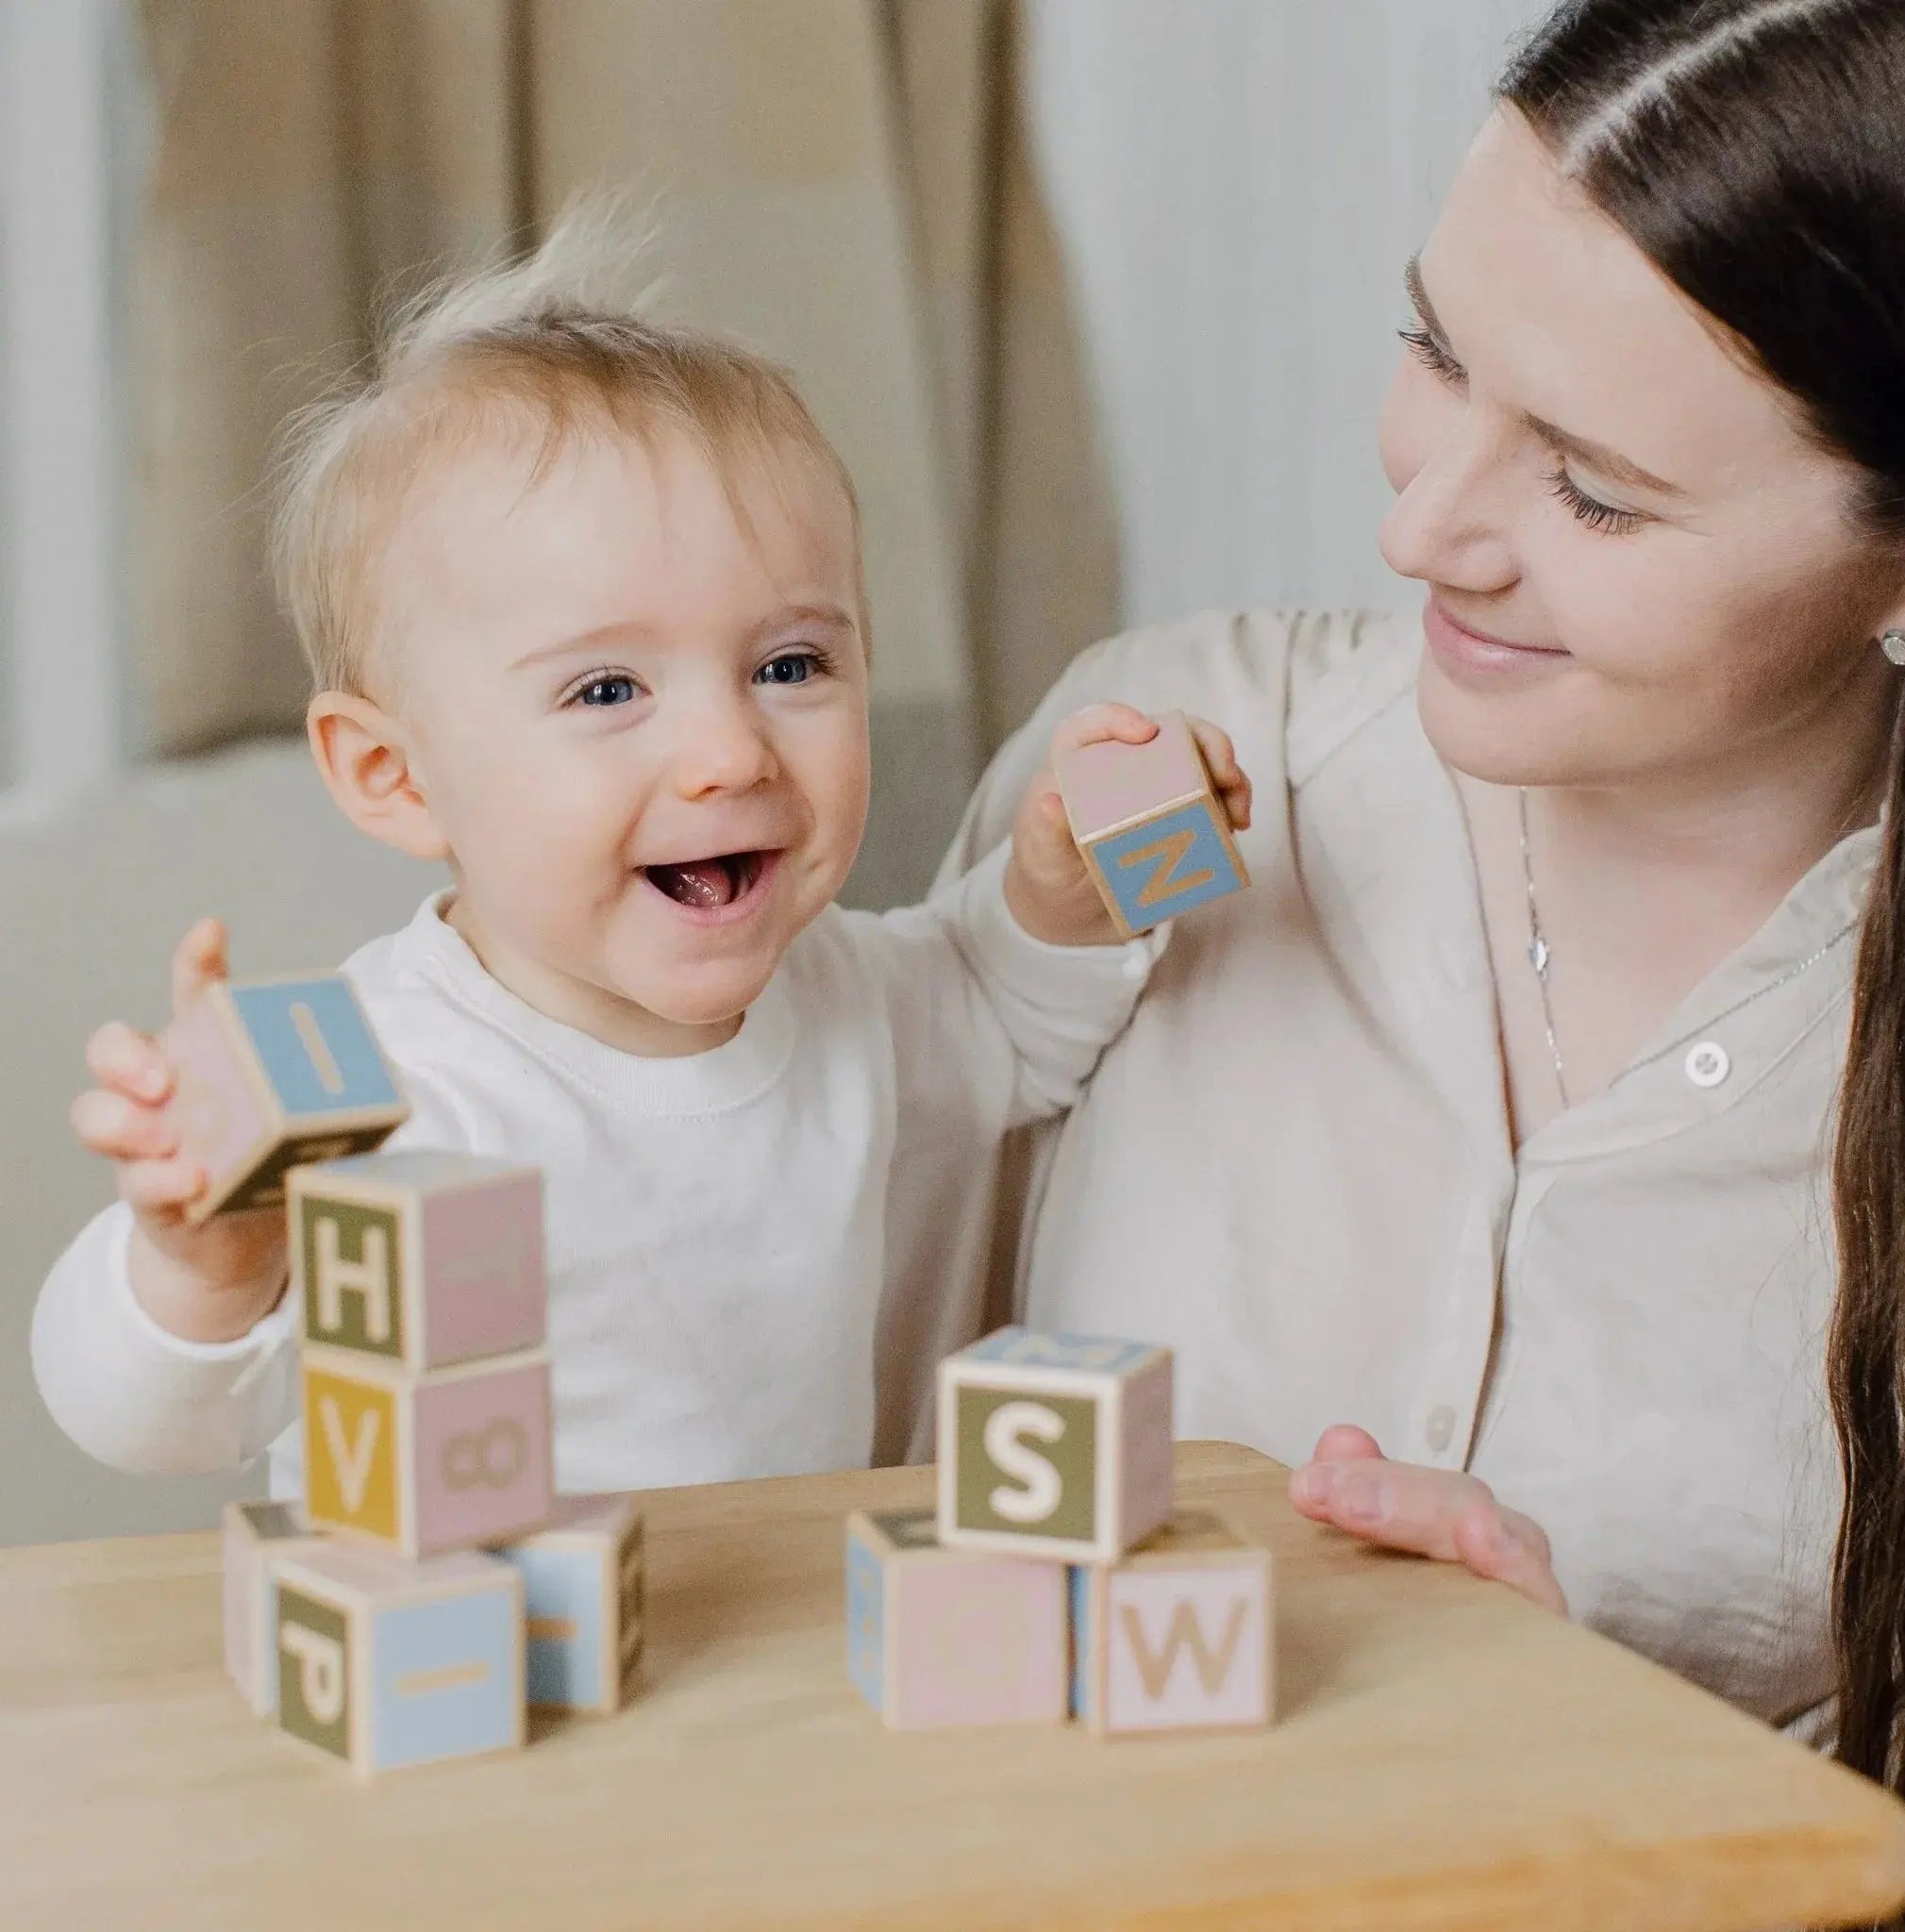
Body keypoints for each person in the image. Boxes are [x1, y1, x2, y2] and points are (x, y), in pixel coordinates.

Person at [914, 0, 1905, 1801]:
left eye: (1596, 495)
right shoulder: (1157, 783)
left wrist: (1609, 1769)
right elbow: (799, 1378)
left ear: (1902, 556)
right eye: (1436, 353)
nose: (1420, 533)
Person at [29, 210, 1251, 1501]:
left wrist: (1061, 898)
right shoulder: (380, 1082)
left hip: (752, 1661)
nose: (729, 752)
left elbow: (1009, 1034)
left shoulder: (844, 992)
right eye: (608, 689)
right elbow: (143, 1427)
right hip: (469, 1663)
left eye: (791, 665)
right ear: (395, 776)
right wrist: (205, 1274)